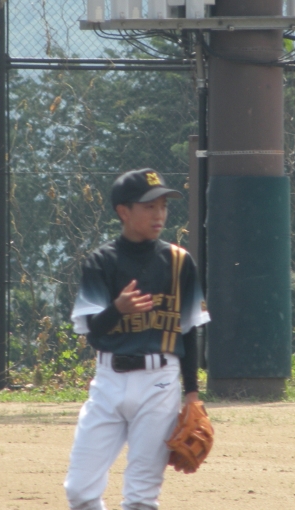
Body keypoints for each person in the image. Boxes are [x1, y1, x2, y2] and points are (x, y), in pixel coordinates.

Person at [64, 168, 211, 510]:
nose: (159, 214)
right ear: (123, 212)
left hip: (159, 382)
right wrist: (118, 308)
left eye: (163, 206)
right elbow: (94, 333)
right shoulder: (102, 261)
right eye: (149, 206)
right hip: (108, 382)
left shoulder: (179, 262)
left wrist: (192, 394)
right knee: (79, 490)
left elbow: (189, 331)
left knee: (142, 496)